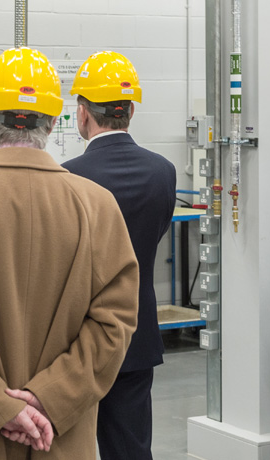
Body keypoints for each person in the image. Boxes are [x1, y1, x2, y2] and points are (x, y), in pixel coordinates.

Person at [0, 47, 141, 460]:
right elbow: (114, 323)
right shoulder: (98, 205)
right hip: (55, 435)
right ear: (54, 122)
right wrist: (45, 398)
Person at [60, 51, 175, 460]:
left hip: (76, 340)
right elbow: (156, 233)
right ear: (129, 111)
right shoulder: (163, 171)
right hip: (136, 334)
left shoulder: (69, 177)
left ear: (83, 114)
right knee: (129, 448)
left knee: (67, 447)